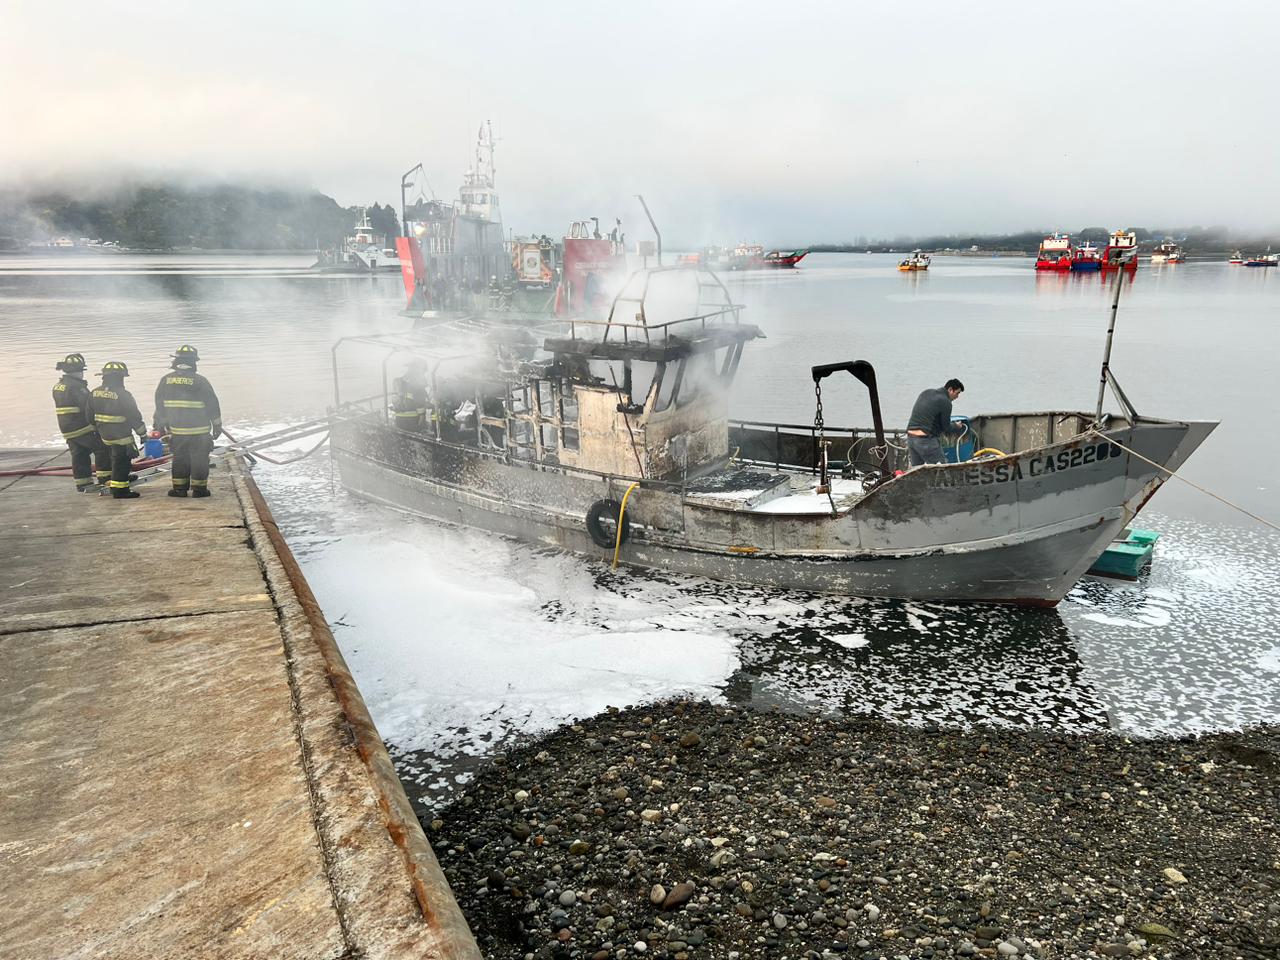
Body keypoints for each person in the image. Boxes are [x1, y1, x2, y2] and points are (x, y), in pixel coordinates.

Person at [153, 344, 222, 498]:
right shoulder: (200, 381)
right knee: (200, 460)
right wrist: (217, 426)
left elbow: (159, 407)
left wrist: (159, 425)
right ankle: (199, 490)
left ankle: (179, 489)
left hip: (178, 431)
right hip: (200, 431)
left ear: (176, 361)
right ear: (193, 362)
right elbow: (212, 405)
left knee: (180, 459)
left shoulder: (165, 381)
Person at [51, 352, 111, 492]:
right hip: (81, 427)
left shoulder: (58, 386)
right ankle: (105, 479)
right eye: (81, 371)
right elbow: (88, 406)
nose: (82, 374)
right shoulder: (77, 387)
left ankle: (83, 483)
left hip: (67, 428)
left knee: (79, 454)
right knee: (101, 448)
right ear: (77, 371)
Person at [89, 361, 147, 499]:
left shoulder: (95, 392)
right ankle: (120, 490)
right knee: (122, 461)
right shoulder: (123, 394)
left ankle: (117, 480)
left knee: (114, 458)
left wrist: (96, 430)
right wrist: (143, 434)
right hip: (121, 435)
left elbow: (89, 415)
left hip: (104, 434)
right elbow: (134, 416)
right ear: (120, 377)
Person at [906, 378, 966, 467]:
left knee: (916, 472)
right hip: (925, 440)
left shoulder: (926, 392)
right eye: (957, 393)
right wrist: (956, 426)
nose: (957, 397)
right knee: (942, 470)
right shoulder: (946, 402)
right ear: (950, 389)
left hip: (911, 438)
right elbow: (946, 428)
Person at [390, 357, 429, 432]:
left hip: (399, 417)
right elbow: (419, 401)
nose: (424, 373)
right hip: (412, 419)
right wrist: (422, 416)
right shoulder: (417, 383)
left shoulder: (398, 381)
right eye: (423, 371)